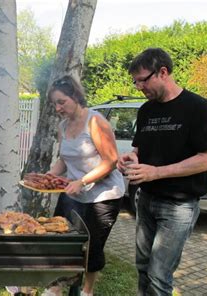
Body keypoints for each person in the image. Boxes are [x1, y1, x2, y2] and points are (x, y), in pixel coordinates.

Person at [117, 48, 207, 296]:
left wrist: (156, 172)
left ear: (163, 72)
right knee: (142, 268)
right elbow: (140, 148)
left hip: (178, 206)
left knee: (159, 275)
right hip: (146, 199)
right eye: (135, 81)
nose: (139, 86)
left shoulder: (198, 107)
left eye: (143, 79)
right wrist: (132, 158)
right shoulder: (146, 110)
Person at [42, 76, 125, 296]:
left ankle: (86, 292)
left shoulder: (96, 122)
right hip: (73, 193)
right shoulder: (62, 126)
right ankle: (56, 287)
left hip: (103, 196)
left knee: (91, 248)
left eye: (62, 102)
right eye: (54, 104)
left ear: (76, 97)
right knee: (60, 241)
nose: (58, 108)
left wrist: (83, 181)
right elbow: (64, 159)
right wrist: (51, 174)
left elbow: (111, 161)